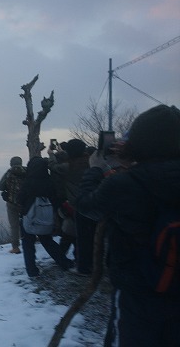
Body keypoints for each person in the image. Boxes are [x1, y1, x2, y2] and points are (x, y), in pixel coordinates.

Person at [76, 104, 180, 346]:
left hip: (138, 290)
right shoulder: (130, 179)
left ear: (138, 142)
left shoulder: (125, 184)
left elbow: (86, 206)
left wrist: (95, 169)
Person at [17, 157, 74, 277]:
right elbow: (56, 199)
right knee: (47, 241)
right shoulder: (50, 181)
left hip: (29, 218)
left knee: (28, 244)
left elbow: (20, 199)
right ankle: (64, 263)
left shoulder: (28, 182)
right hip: (45, 218)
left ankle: (32, 271)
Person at [48, 138, 94, 275]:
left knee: (81, 237)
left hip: (79, 205)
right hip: (95, 202)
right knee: (92, 236)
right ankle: (94, 264)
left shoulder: (69, 167)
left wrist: (51, 153)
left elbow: (53, 167)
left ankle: (84, 267)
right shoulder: (91, 162)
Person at [0, 156, 26, 253]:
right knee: (27, 221)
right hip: (25, 203)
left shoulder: (9, 173)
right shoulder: (27, 171)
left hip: (12, 203)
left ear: (11, 163)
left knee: (14, 226)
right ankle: (30, 240)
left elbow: (0, 186)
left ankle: (15, 247)